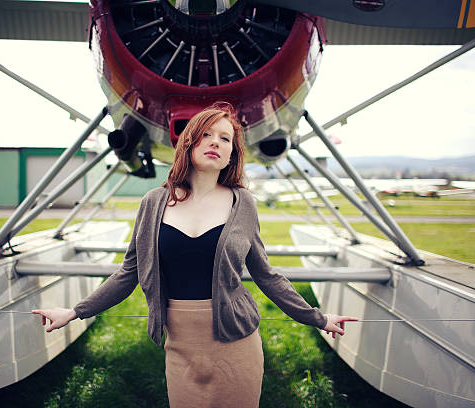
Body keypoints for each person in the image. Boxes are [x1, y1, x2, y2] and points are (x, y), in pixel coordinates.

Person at [32, 102, 357, 407]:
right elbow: (128, 273)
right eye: (206, 134)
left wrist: (318, 318)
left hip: (238, 343)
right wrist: (75, 312)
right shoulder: (153, 202)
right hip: (180, 346)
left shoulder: (243, 204)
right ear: (188, 143)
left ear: (232, 153)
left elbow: (266, 275)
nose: (215, 142)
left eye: (225, 138)